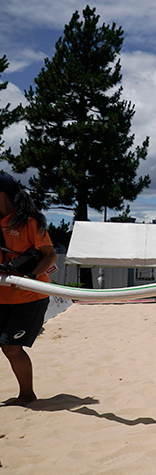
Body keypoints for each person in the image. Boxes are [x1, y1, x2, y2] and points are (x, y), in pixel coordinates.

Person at [0, 173, 57, 406]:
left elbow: (50, 255)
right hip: (3, 295)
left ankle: (27, 395)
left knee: (11, 348)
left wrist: (31, 277)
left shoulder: (30, 221)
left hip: (29, 295)